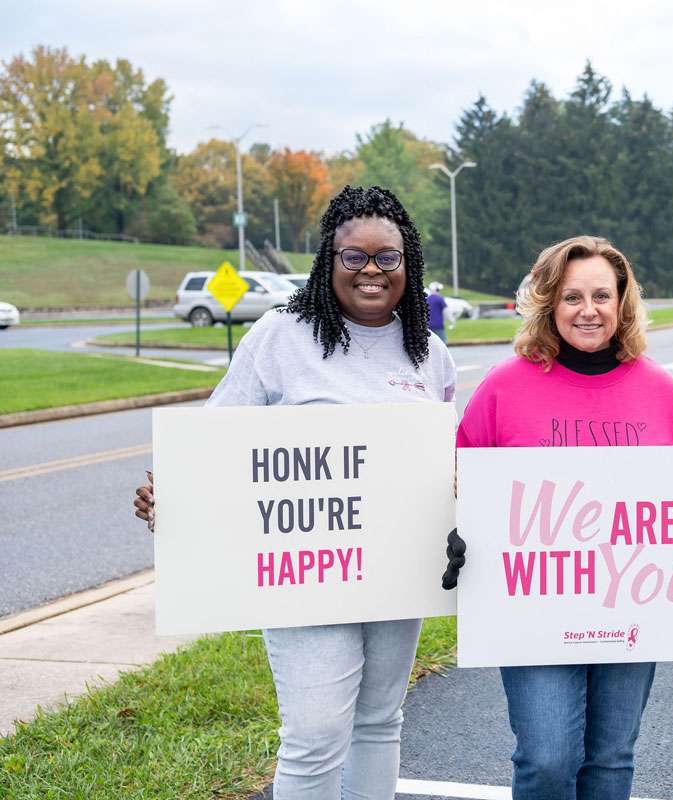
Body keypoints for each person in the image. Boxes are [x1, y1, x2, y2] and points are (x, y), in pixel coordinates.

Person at [133, 185, 456, 800]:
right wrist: (170, 491)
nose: (371, 271)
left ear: (407, 263)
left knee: (380, 721)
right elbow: (214, 443)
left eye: (387, 257)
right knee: (314, 733)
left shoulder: (429, 354)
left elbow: (440, 462)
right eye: (353, 256)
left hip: (395, 570)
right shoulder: (281, 336)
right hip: (303, 574)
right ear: (327, 261)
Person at [440, 235, 673, 800]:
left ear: (623, 302)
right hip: (532, 610)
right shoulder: (503, 388)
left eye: (601, 295)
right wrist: (456, 530)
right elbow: (458, 485)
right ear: (546, 303)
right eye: (571, 297)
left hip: (632, 606)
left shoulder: (658, 389)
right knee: (547, 759)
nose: (588, 310)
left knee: (611, 761)